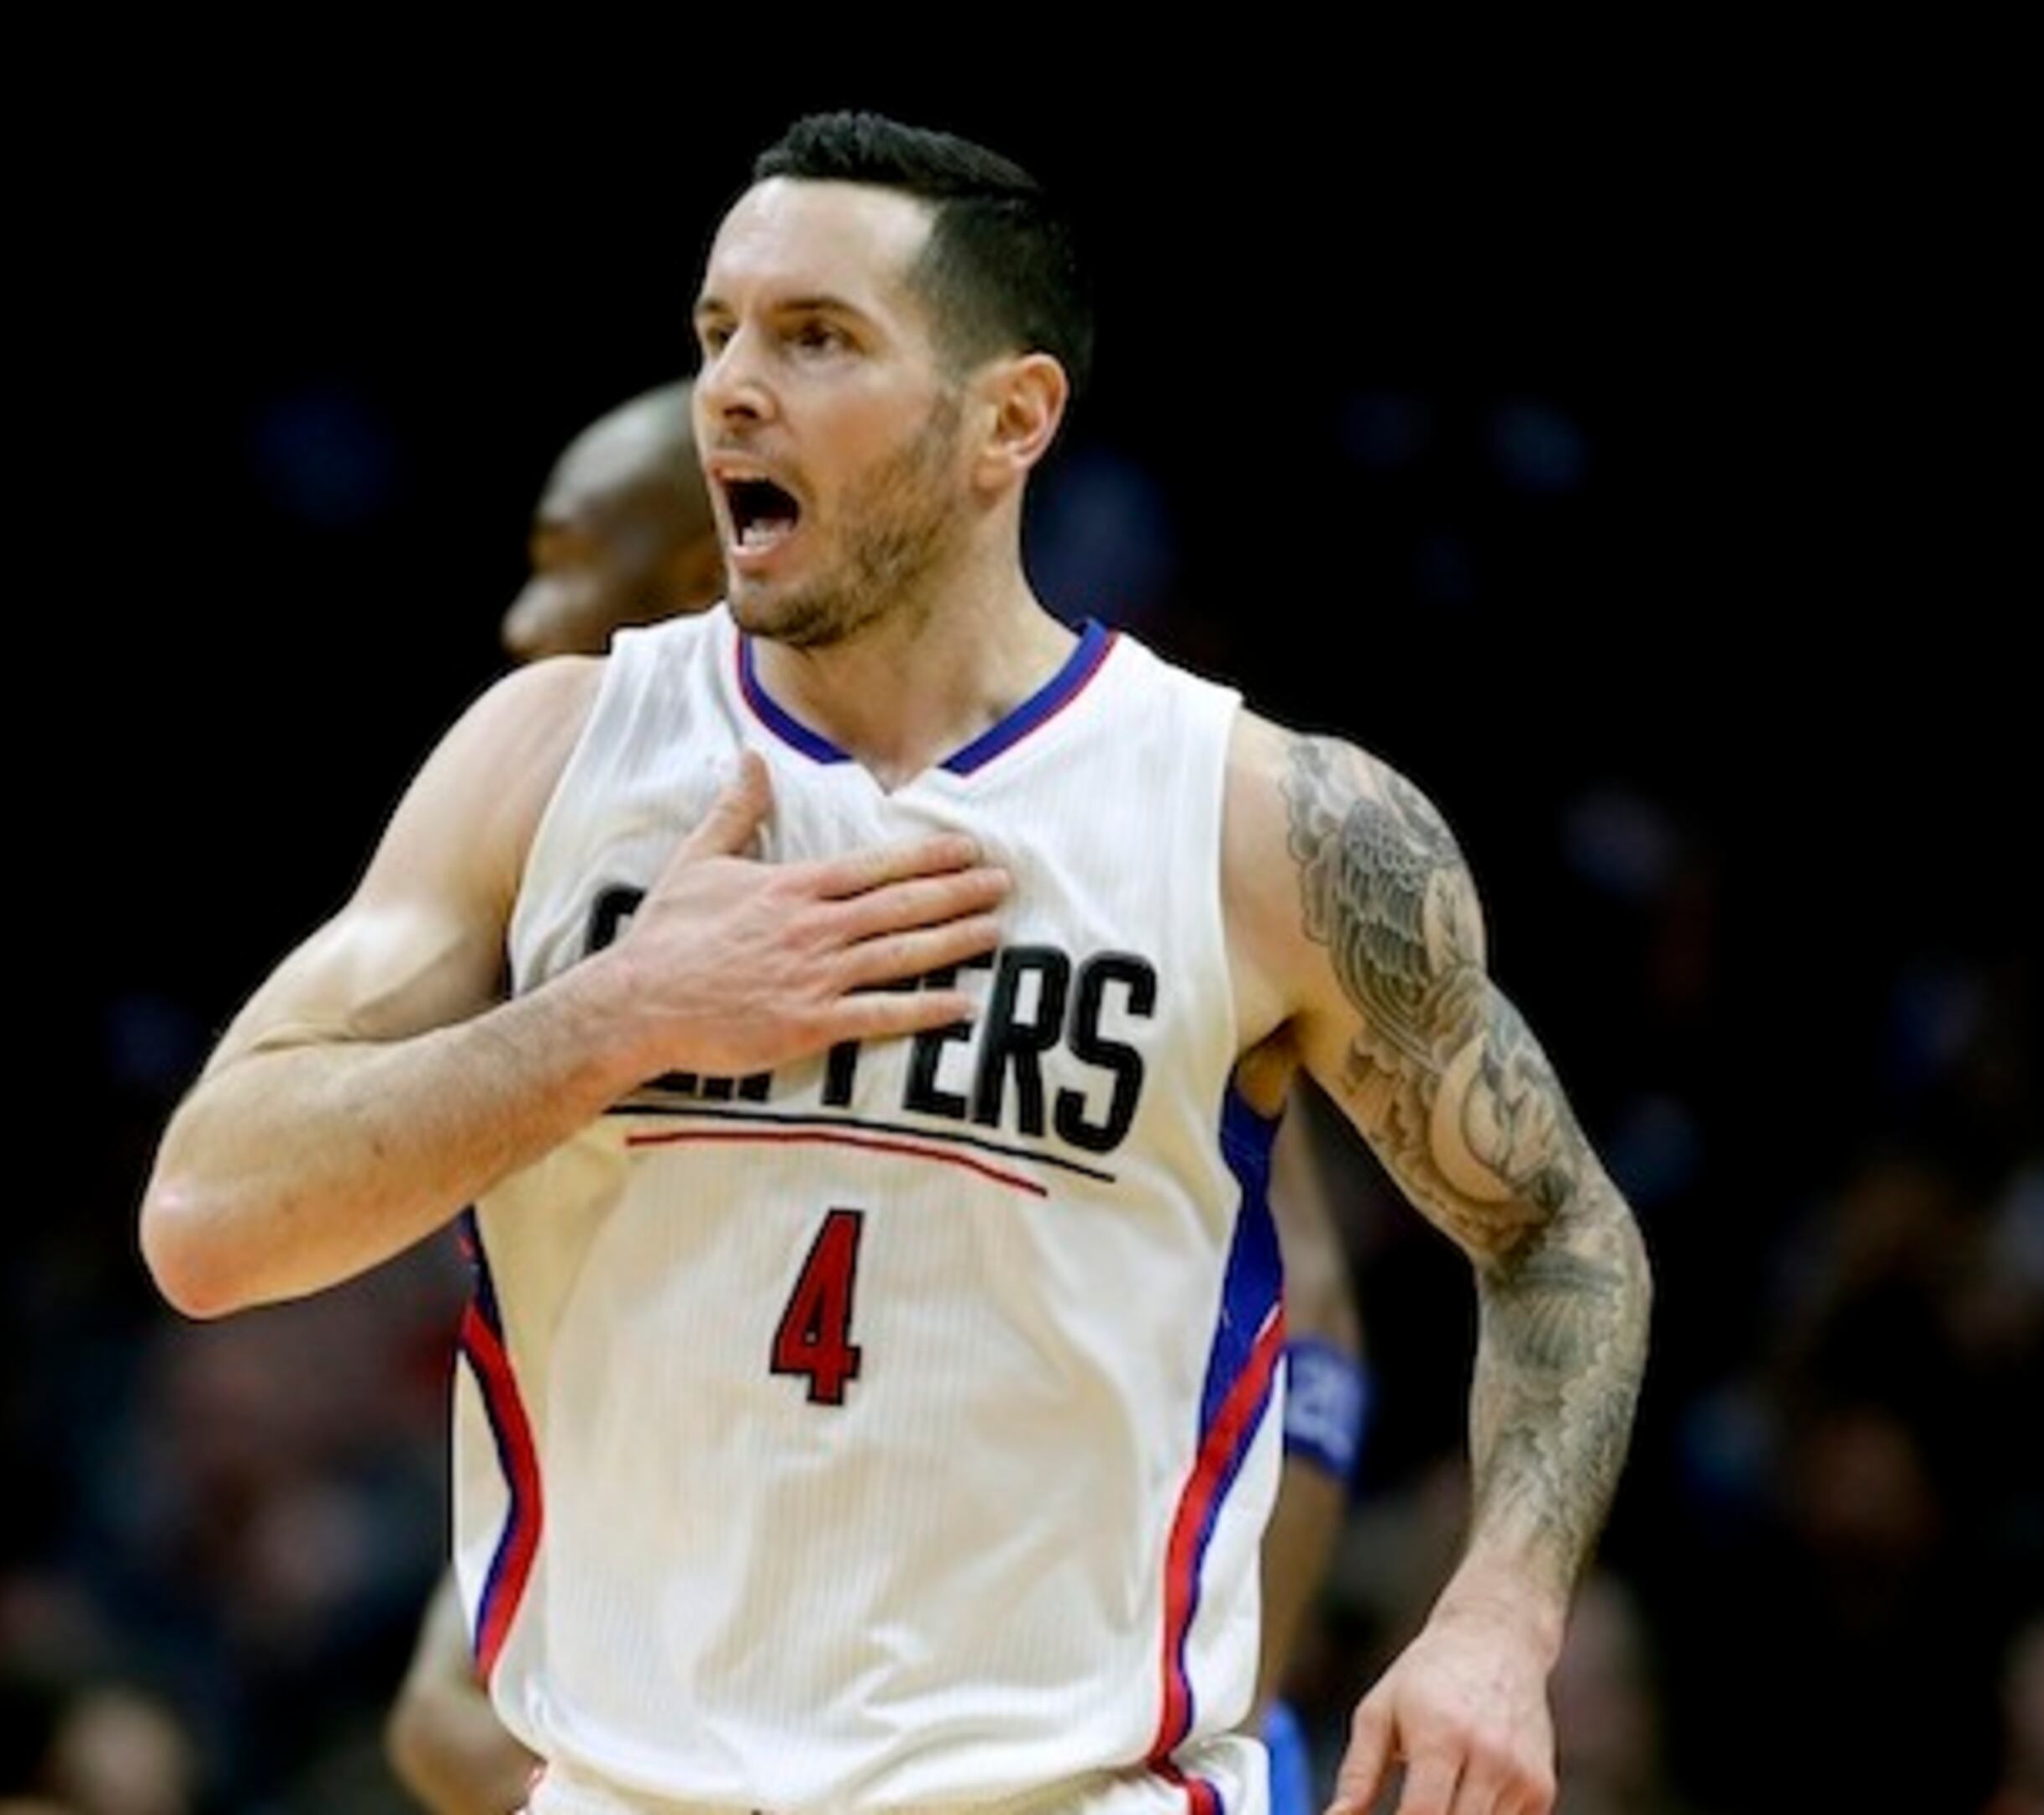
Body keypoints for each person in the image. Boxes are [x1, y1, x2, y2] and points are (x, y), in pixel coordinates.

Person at [141, 108, 1653, 1815]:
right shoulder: (552, 757)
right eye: (717, 333)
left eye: (816, 338)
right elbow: (209, 1221)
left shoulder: (1260, 822)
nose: (730, 388)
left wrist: (1501, 1616)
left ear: (1009, 419)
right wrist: (621, 1014)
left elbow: (1556, 1232)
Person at [381, 376, 1381, 1815]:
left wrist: (1242, 1690)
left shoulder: (1070, 844)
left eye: (558, 561)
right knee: (448, 1719)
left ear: (689, 567)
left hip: (1027, 1687)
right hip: (683, 1544)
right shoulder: (542, 828)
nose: (524, 619)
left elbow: (1319, 1338)